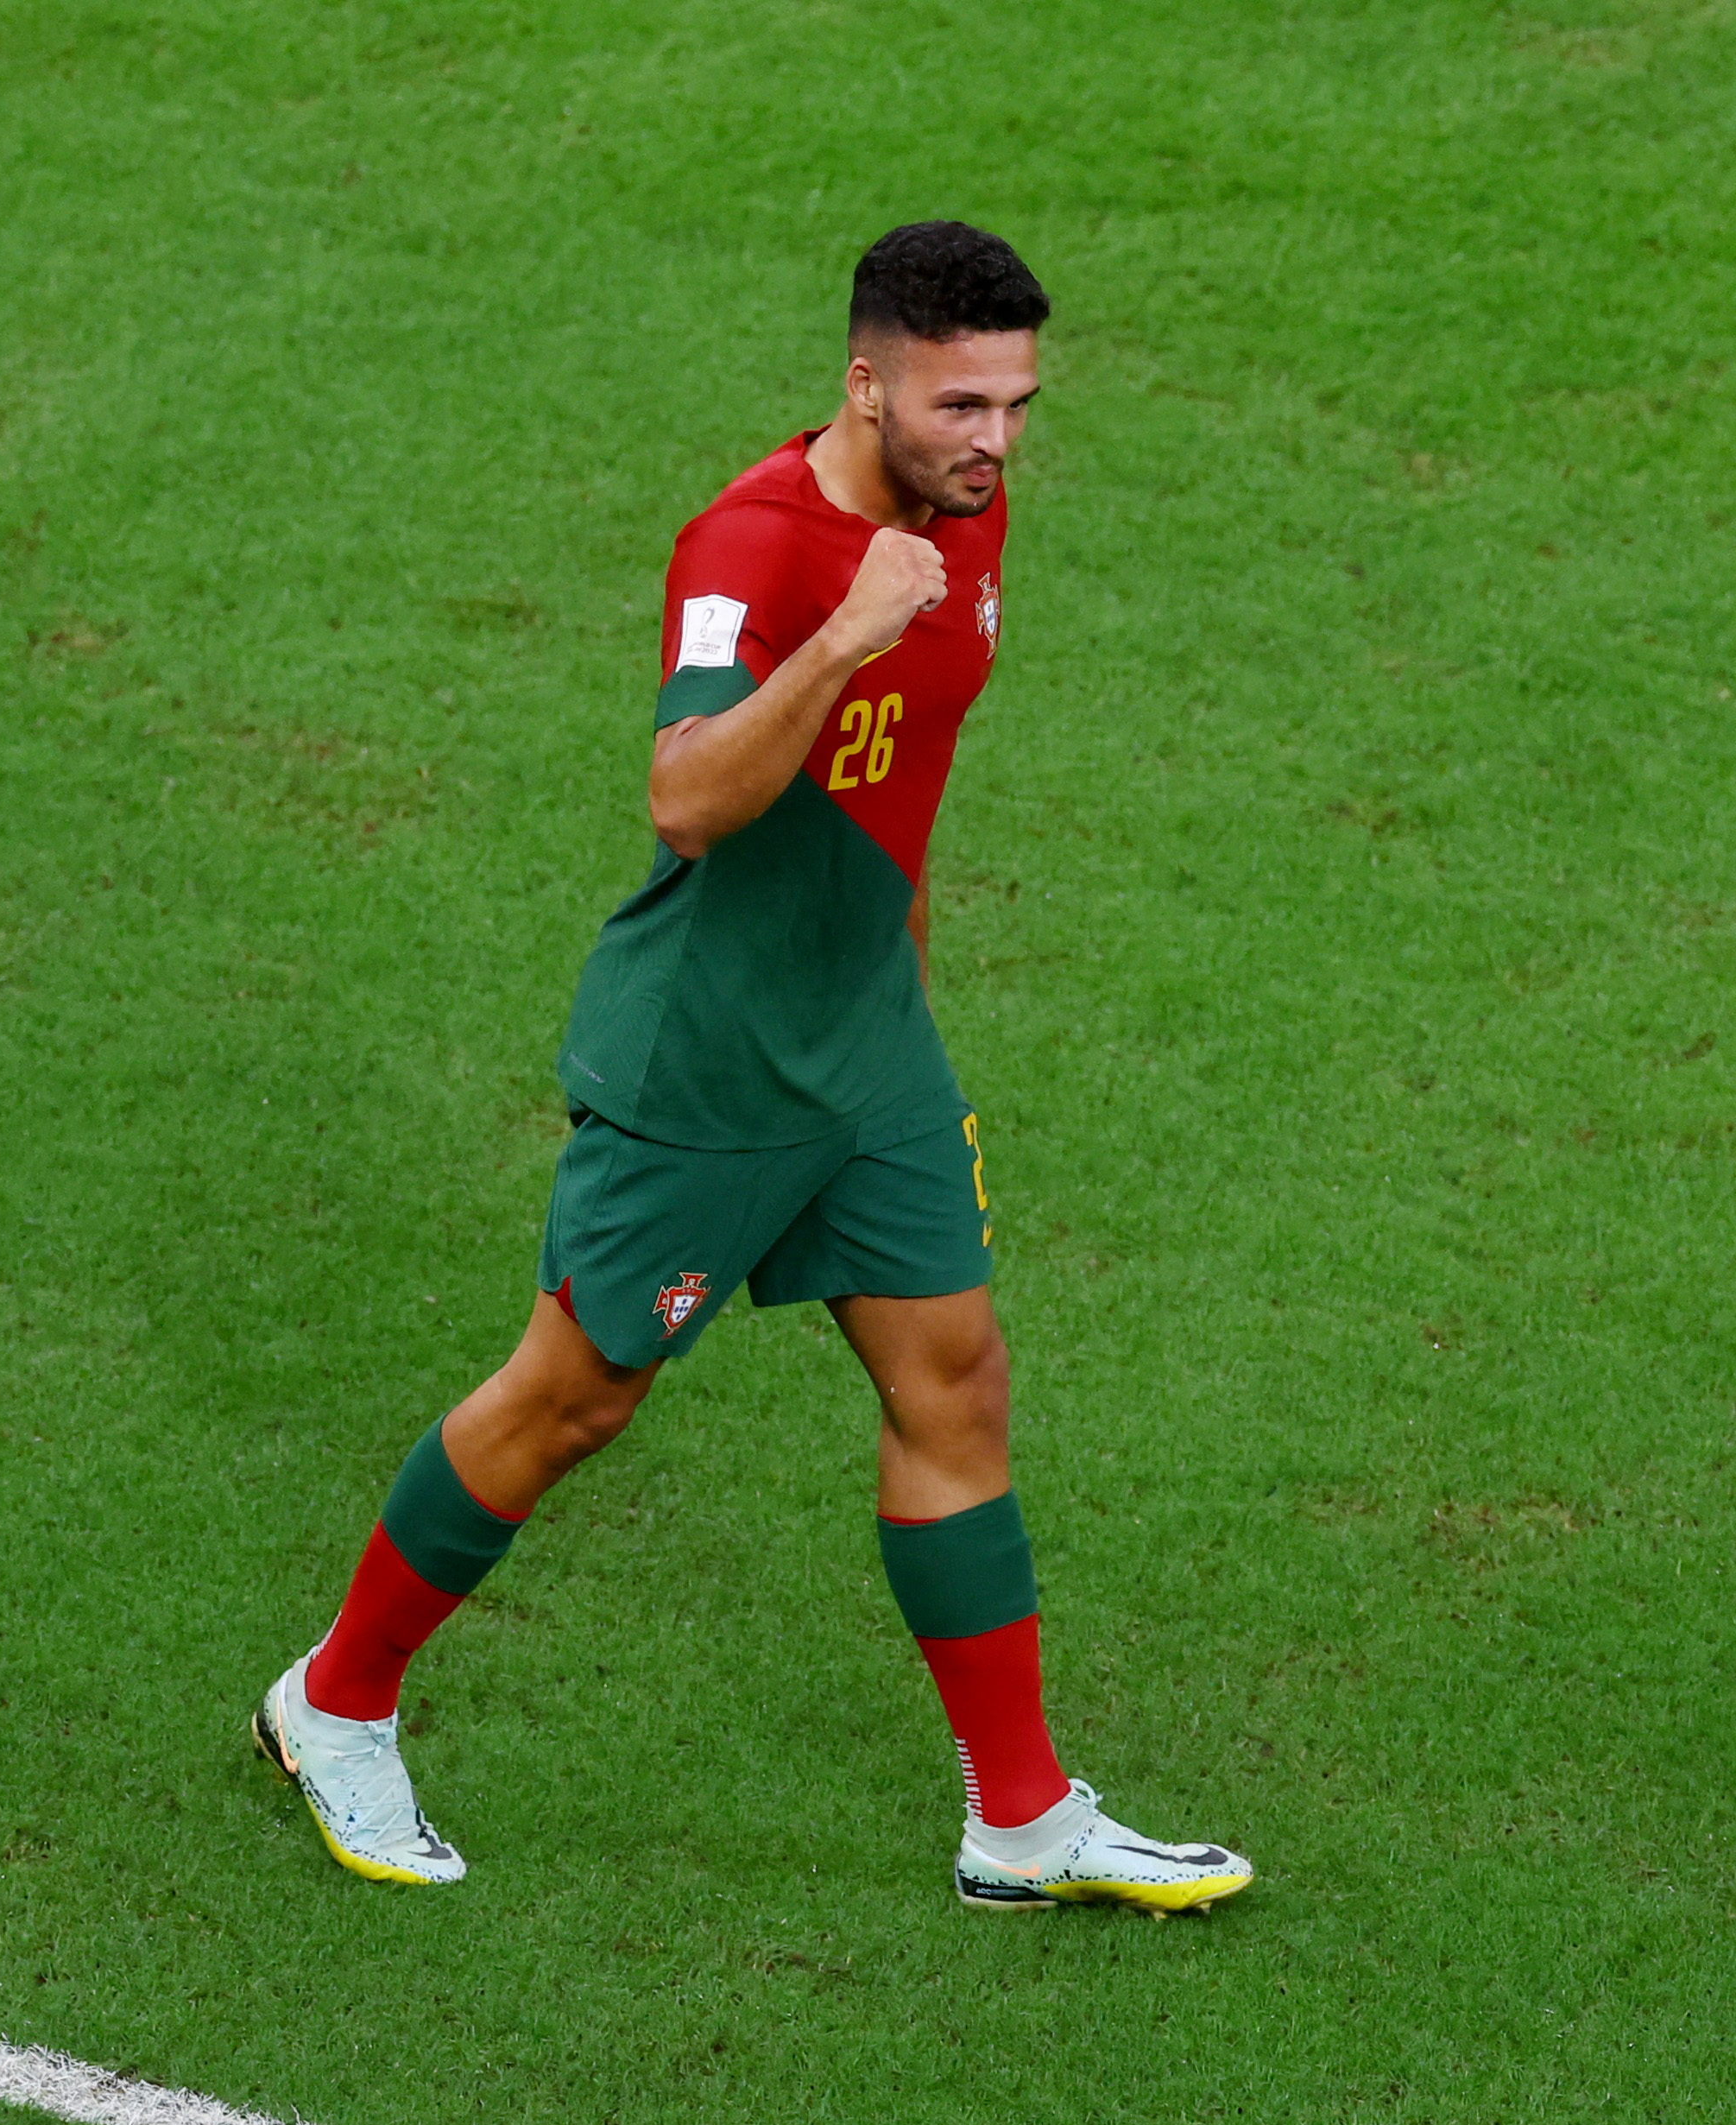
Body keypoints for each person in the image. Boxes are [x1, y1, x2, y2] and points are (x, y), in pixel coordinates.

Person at [250, 223, 1252, 1915]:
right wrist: (843, 634)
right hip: (706, 1065)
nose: (993, 441)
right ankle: (333, 1697)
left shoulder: (965, 515)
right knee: (576, 1396)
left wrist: (900, 1003)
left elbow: (907, 774)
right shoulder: (751, 547)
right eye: (959, 403)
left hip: (864, 1048)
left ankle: (1017, 1815)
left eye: (1015, 404)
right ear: (863, 380)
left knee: (958, 1379)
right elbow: (688, 798)